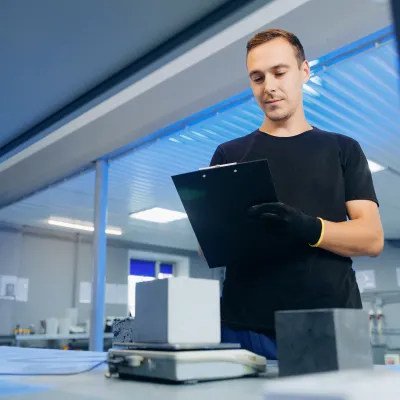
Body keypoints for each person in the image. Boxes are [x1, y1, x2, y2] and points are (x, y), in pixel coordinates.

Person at [207, 29, 384, 360]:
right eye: (257, 78)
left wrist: (309, 228)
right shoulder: (228, 155)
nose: (269, 87)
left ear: (304, 71)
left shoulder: (342, 149)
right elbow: (209, 251)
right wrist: (213, 223)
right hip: (246, 327)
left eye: (279, 72)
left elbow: (372, 238)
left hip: (330, 323)